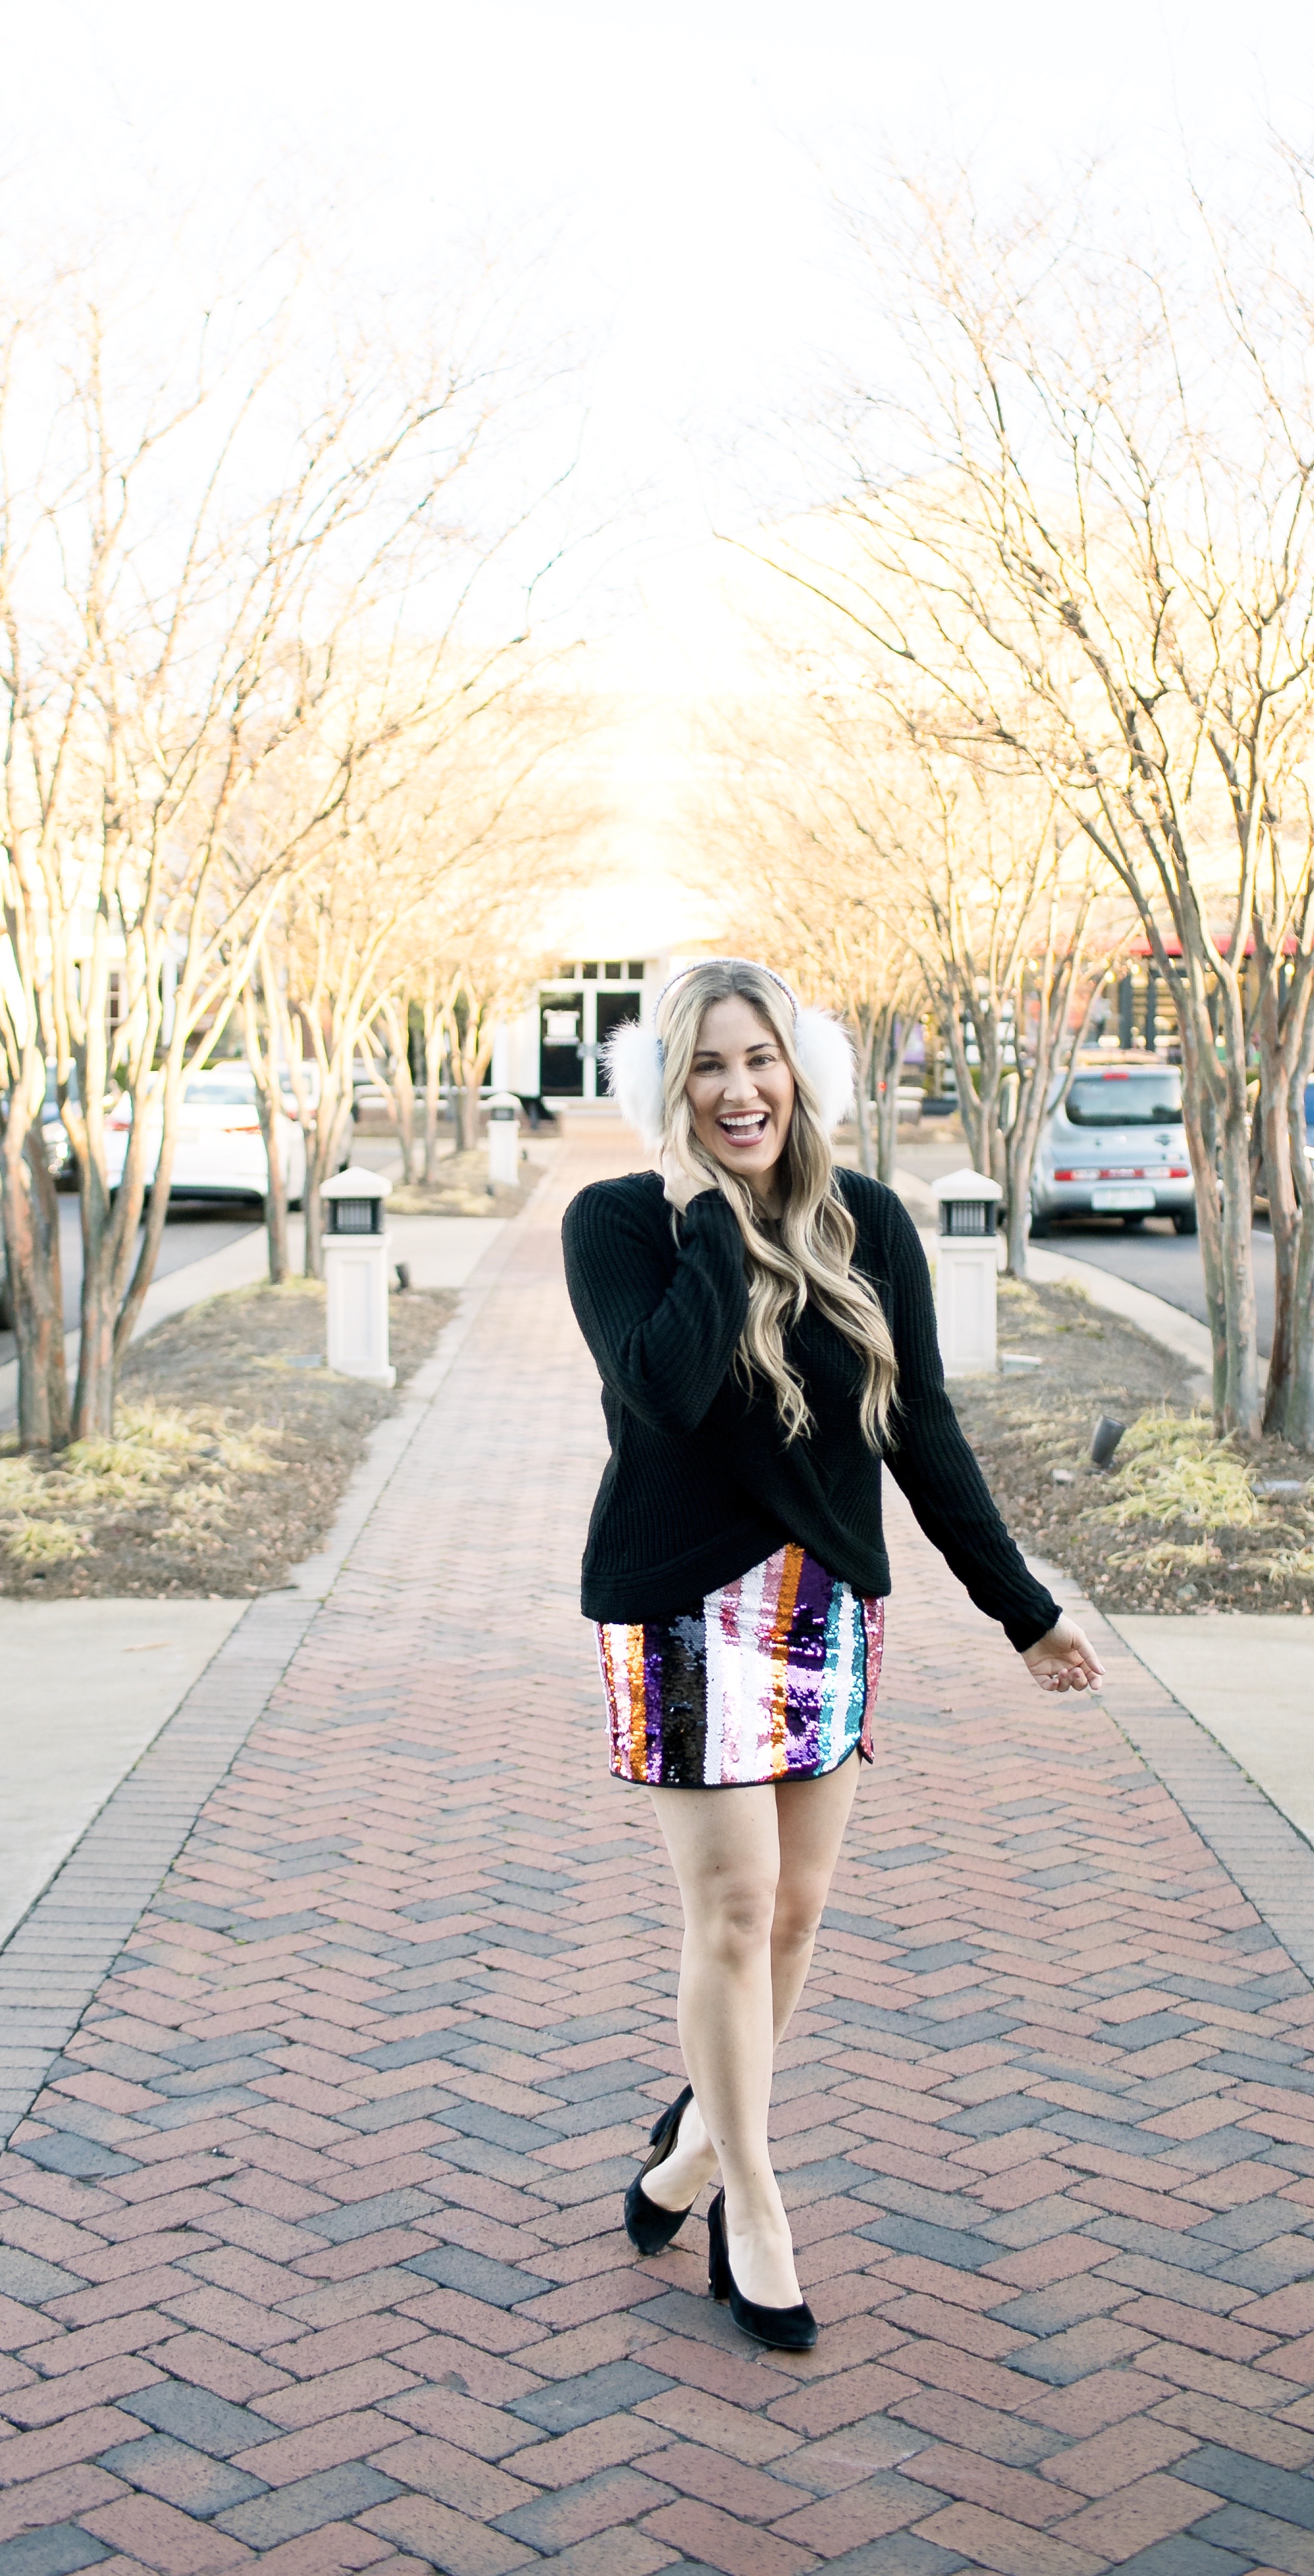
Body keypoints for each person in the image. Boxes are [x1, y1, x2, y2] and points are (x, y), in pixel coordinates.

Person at [562, 959, 1104, 2352]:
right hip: (682, 1605)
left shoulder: (866, 1221)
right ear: (669, 1090)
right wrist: (710, 1217)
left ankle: (689, 2154)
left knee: (795, 1915)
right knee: (733, 1910)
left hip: (823, 1611)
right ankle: (754, 2207)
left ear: (800, 1073)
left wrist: (1021, 1606)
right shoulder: (616, 1224)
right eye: (706, 1067)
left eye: (761, 1061)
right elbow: (668, 1393)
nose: (739, 1090)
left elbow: (921, 1432)